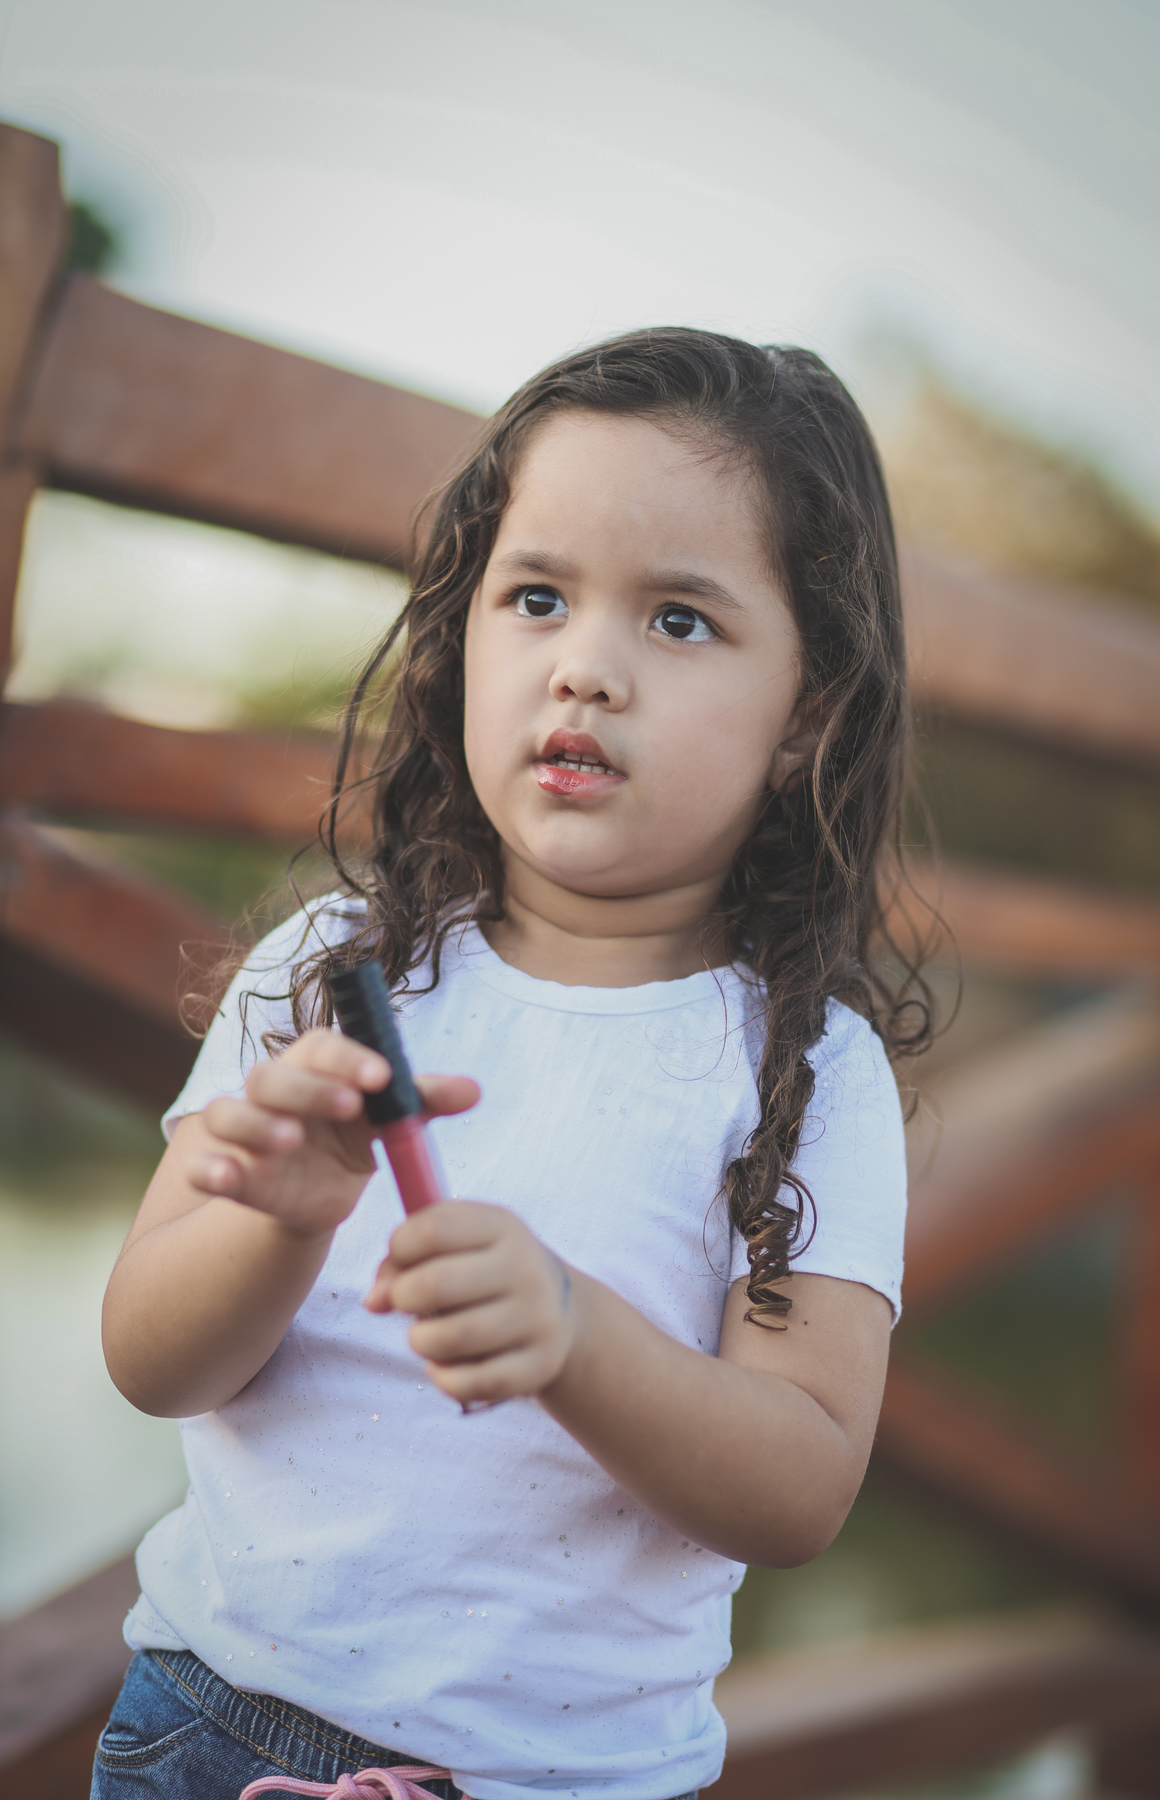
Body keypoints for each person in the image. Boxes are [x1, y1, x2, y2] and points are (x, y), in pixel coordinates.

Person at [94, 328, 931, 1800]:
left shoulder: (808, 1068)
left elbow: (802, 1485)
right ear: (464, 635)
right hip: (209, 1733)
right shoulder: (334, 970)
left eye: (680, 620)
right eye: (536, 598)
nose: (585, 669)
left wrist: (575, 1335)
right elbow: (150, 1363)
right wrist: (274, 1222)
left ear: (809, 715)